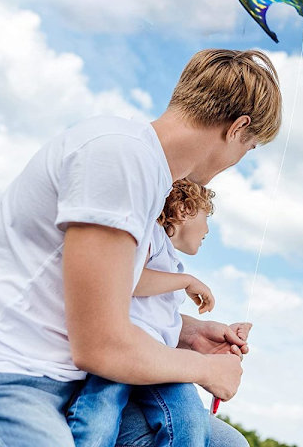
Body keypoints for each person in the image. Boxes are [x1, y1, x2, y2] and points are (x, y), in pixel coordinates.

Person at [0, 49, 281, 446]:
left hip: (67, 378)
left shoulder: (145, 170)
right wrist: (203, 370)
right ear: (237, 128)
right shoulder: (121, 157)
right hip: (12, 373)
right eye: (248, 149)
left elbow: (108, 296)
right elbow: (101, 346)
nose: (237, 161)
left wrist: (191, 334)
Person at [67, 179, 240, 447]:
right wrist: (185, 282)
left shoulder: (172, 260)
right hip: (125, 352)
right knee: (99, 415)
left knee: (190, 418)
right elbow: (129, 280)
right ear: (185, 210)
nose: (207, 229)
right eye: (207, 217)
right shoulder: (152, 237)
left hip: (161, 362)